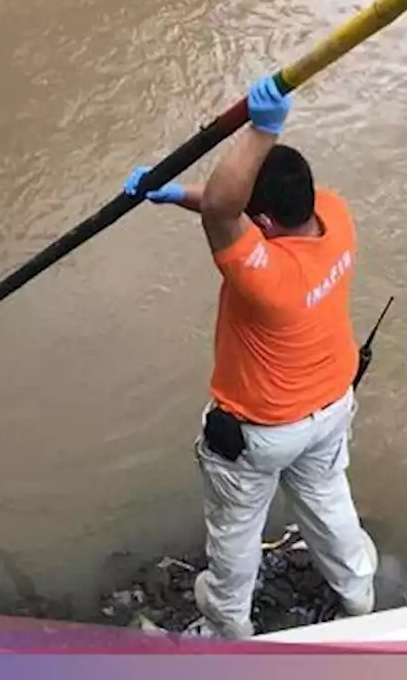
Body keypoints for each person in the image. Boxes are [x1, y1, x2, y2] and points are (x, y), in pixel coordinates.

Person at [123, 75, 378, 638]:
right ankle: (358, 593)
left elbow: (224, 210)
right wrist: (179, 196)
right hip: (332, 404)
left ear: (260, 222)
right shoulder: (335, 218)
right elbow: (225, 211)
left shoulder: (267, 281)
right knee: (328, 496)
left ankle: (226, 628)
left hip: (261, 429)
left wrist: (262, 131)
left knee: (236, 529)